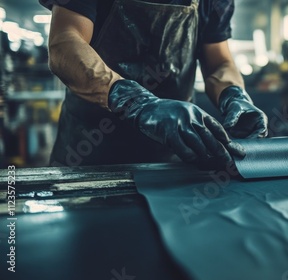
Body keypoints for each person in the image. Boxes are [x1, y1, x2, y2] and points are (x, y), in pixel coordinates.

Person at [40, 0, 268, 169]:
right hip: (89, 150)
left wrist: (234, 95)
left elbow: (219, 61)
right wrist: (137, 103)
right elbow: (65, 43)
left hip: (174, 153)